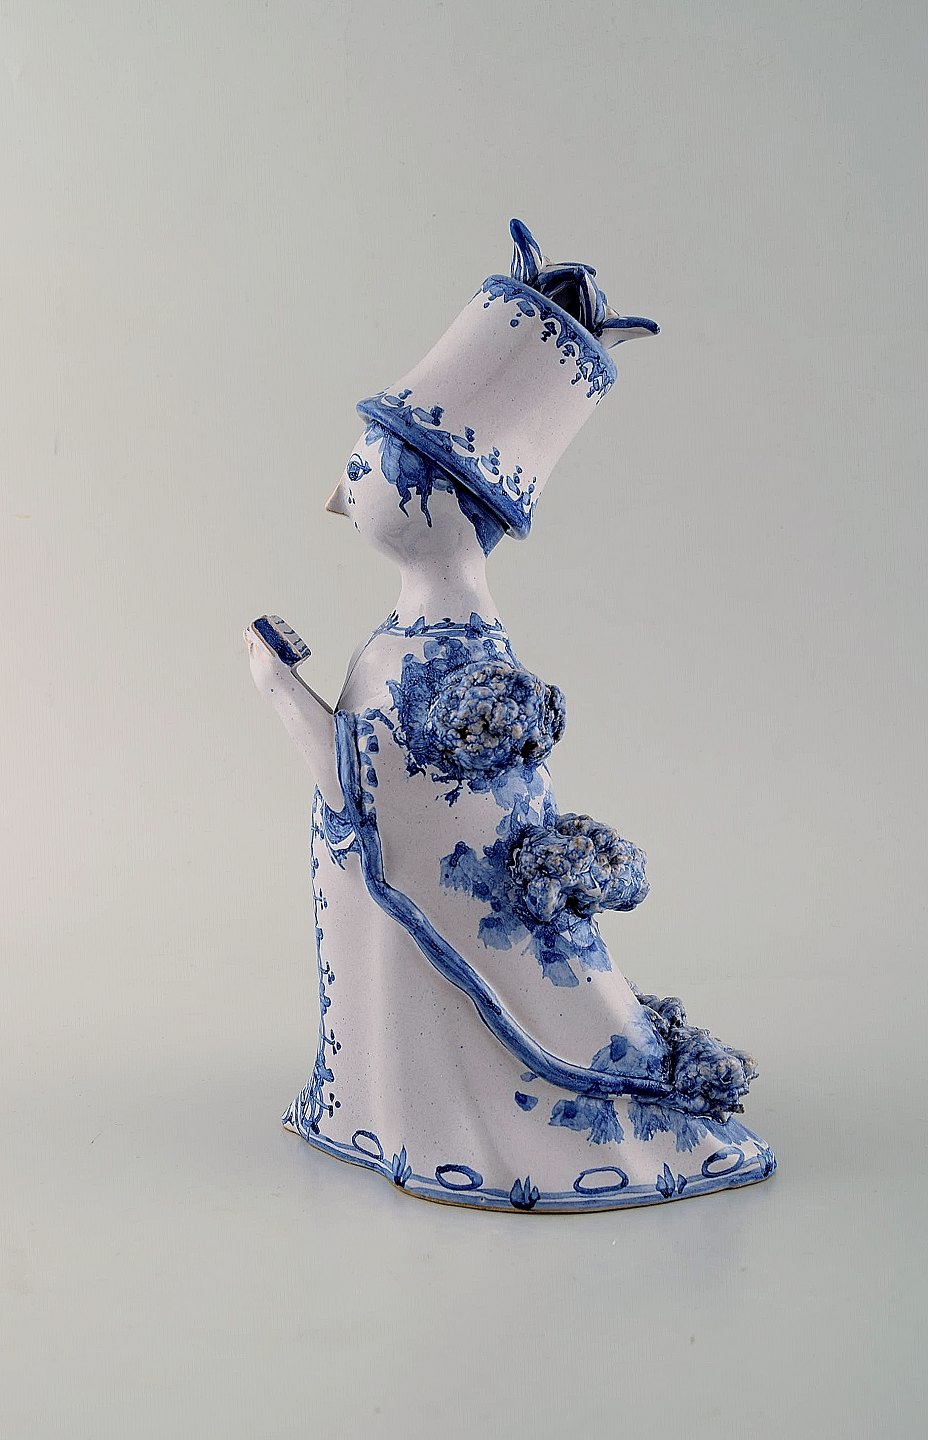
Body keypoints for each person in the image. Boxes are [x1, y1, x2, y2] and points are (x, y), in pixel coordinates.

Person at [244, 220, 776, 1211]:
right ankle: (381, 1112)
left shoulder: (437, 663)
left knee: (440, 983)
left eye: (363, 470)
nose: (339, 494)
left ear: (433, 501)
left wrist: (277, 687)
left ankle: (453, 1130)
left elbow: (363, 799)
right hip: (389, 924)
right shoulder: (430, 642)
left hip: (440, 936)